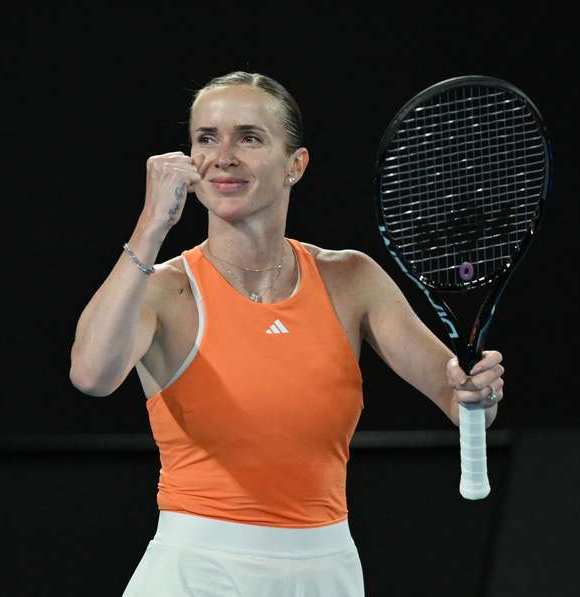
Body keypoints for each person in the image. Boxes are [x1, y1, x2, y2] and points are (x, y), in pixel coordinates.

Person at [68, 71, 505, 597]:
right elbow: (91, 375)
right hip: (196, 571)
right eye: (206, 138)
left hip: (327, 570)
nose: (222, 156)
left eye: (249, 138)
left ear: (295, 165)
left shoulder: (351, 279)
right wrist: (150, 225)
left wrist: (478, 390)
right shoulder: (164, 289)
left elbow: (459, 400)